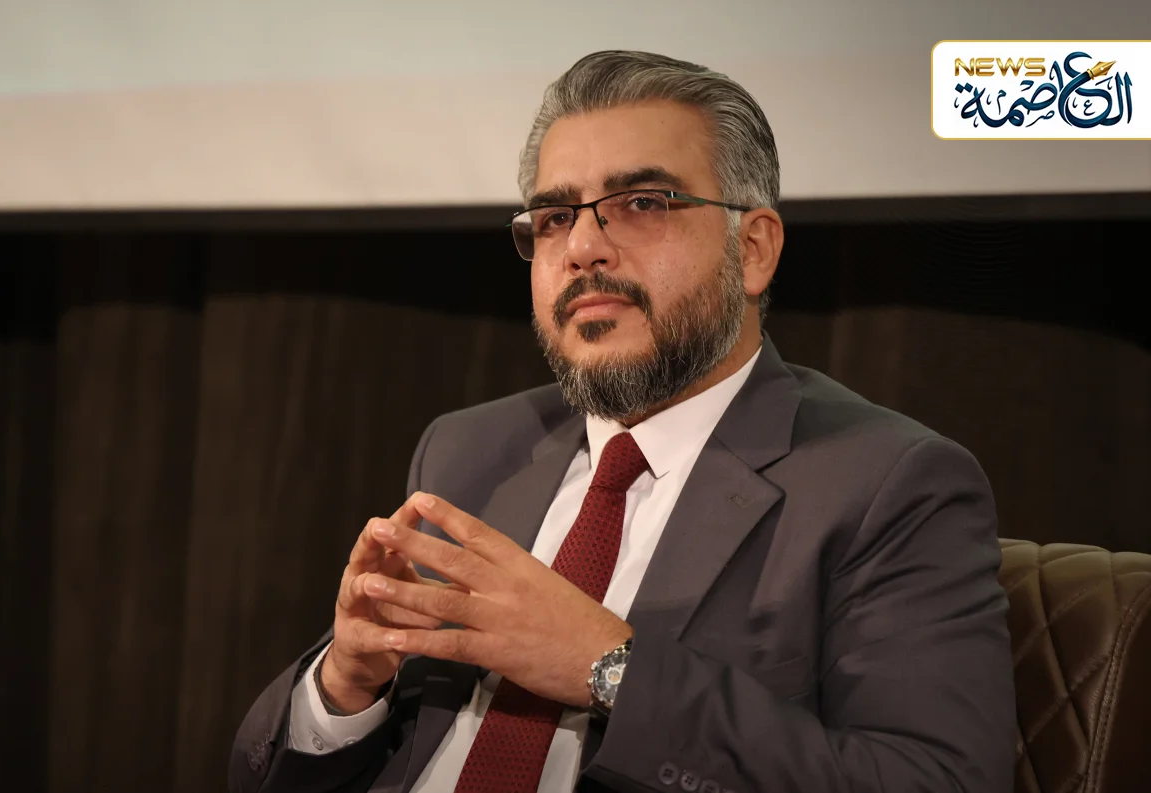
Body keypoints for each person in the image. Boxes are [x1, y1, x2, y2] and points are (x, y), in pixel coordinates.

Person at [229, 50, 1015, 793]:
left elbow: (935, 780)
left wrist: (608, 668)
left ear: (754, 249)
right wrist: (345, 684)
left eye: (642, 204)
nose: (581, 247)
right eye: (553, 216)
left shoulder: (888, 483)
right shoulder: (470, 449)